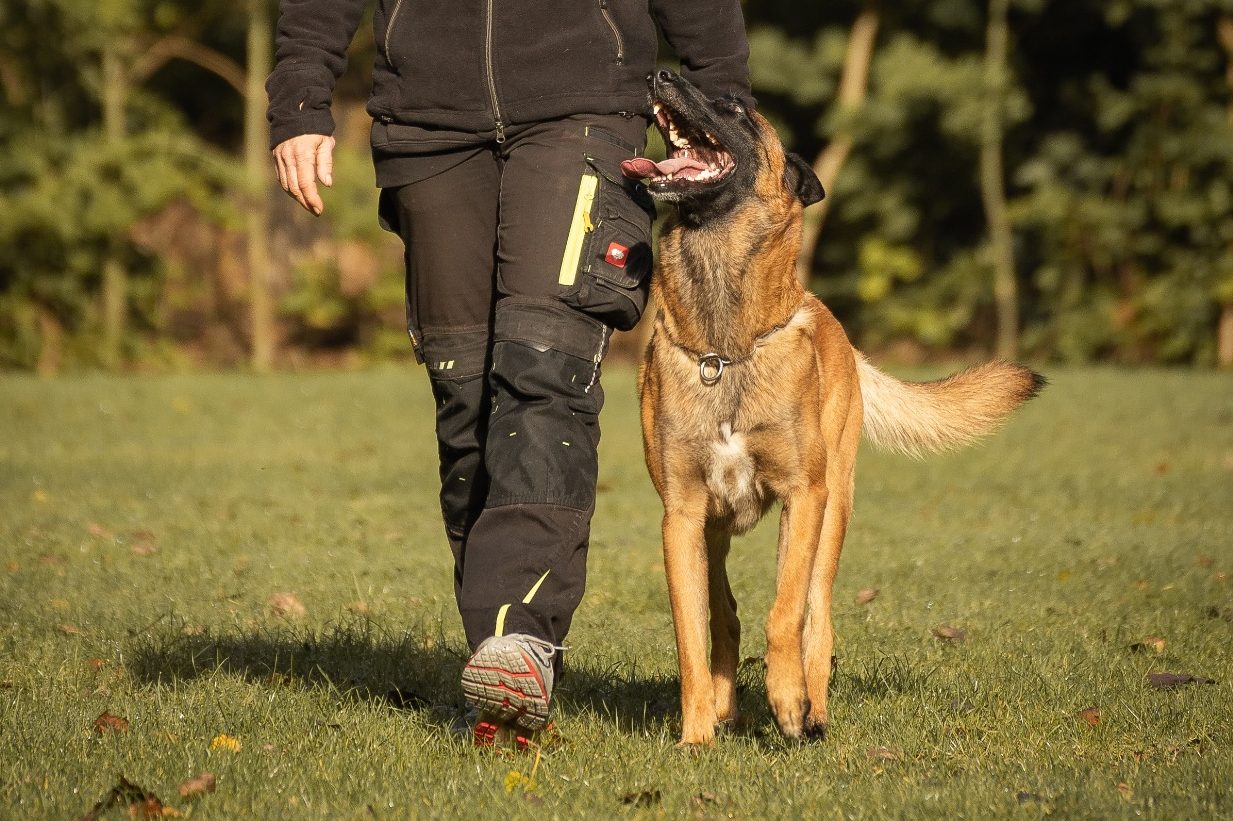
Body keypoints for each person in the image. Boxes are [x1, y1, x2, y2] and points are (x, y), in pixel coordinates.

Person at [267, 0, 754, 744]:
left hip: (585, 115)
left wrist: (722, 105)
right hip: (426, 129)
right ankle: (494, 668)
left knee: (542, 370)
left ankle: (520, 638)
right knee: (464, 392)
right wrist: (300, 94)